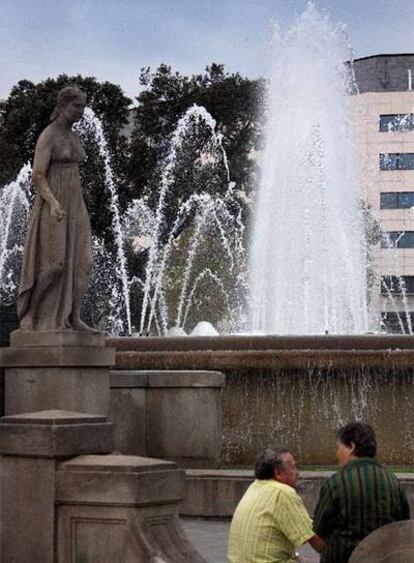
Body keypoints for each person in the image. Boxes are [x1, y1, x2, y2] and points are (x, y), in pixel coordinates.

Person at [18, 86, 95, 331]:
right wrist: (52, 203)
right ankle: (31, 312)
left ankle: (73, 316)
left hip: (75, 203)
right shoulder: (48, 135)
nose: (81, 112)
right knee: (54, 265)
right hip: (55, 203)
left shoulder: (73, 136)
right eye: (76, 106)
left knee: (84, 263)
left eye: (83, 107)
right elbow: (38, 175)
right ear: (62, 106)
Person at [313, 422, 410, 563]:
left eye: (339, 447)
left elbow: (319, 529)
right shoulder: (393, 482)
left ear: (351, 446)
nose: (336, 454)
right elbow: (401, 527)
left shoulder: (335, 483)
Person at [227, 448, 324, 562]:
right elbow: (313, 538)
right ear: (278, 473)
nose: (297, 472)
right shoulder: (283, 493)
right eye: (293, 467)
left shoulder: (254, 487)